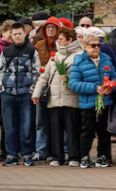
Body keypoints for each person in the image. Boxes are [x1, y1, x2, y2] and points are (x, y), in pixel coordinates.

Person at [32, 26, 83, 167]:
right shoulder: (56, 56)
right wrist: (37, 93)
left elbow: (82, 75)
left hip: (71, 99)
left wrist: (69, 78)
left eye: (61, 39)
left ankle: (74, 156)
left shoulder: (79, 55)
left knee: (72, 130)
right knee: (55, 130)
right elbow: (44, 76)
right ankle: (57, 156)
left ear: (69, 40)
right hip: (54, 99)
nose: (58, 41)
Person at [70, 34, 116, 169]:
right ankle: (84, 156)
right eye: (93, 45)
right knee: (88, 131)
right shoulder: (79, 61)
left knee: (104, 131)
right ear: (85, 47)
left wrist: (111, 86)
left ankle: (102, 156)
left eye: (98, 45)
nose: (96, 48)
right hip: (88, 102)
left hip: (105, 101)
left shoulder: (106, 59)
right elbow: (73, 83)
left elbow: (114, 76)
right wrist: (95, 88)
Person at [0, 22, 40, 166]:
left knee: (26, 125)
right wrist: (1, 88)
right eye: (14, 34)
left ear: (25, 33)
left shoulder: (32, 51)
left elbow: (36, 71)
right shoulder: (6, 51)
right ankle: (11, 154)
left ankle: (27, 154)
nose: (17, 36)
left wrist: (33, 89)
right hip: (8, 94)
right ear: (11, 35)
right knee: (9, 126)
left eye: (19, 33)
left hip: (25, 93)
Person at [33, 16, 61, 162]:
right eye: (48, 27)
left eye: (53, 27)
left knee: (57, 122)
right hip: (42, 87)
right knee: (41, 122)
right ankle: (41, 150)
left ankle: (59, 150)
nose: (50, 29)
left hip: (58, 88)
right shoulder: (39, 45)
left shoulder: (61, 45)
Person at [0, 20, 14, 160]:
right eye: (10, 32)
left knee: (8, 122)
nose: (12, 35)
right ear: (3, 32)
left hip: (11, 89)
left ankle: (6, 150)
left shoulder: (16, 47)